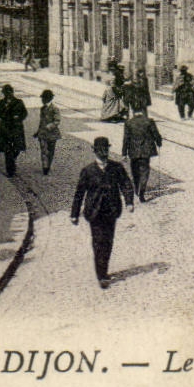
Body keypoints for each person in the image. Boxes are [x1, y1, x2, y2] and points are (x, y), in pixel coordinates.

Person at [70, 137, 135, 288]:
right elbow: (79, 193)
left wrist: (129, 201)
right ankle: (102, 275)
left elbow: (126, 184)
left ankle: (103, 269)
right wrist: (74, 213)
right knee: (98, 241)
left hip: (111, 210)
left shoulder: (117, 167)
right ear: (94, 151)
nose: (103, 153)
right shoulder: (88, 171)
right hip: (94, 212)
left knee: (108, 241)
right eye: (100, 150)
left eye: (106, 150)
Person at [121, 103, 163, 203]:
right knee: (144, 171)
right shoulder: (149, 121)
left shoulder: (129, 123)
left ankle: (136, 189)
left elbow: (126, 139)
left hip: (133, 151)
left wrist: (124, 153)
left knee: (135, 171)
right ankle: (142, 193)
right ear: (143, 110)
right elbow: (156, 134)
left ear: (133, 111)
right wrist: (159, 142)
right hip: (146, 151)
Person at [0, 83, 28, 178]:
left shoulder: (19, 102)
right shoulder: (0, 103)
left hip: (17, 128)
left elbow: (24, 113)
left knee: (17, 148)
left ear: (13, 92)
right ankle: (10, 170)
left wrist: (19, 117)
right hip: (5, 128)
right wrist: (4, 115)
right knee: (7, 149)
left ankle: (11, 161)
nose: (8, 94)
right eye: (6, 92)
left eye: (10, 92)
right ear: (4, 93)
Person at [33, 90, 62, 175]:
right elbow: (41, 121)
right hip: (43, 133)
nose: (42, 100)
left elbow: (57, 121)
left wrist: (49, 126)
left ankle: (48, 165)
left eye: (43, 98)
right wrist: (38, 131)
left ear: (48, 99)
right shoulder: (42, 108)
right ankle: (45, 167)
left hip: (52, 134)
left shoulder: (55, 108)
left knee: (51, 151)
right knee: (44, 150)